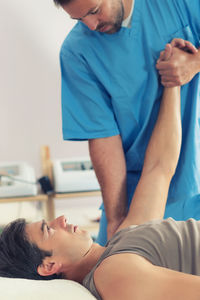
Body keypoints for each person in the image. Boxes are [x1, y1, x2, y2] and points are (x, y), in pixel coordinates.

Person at [1, 46, 200, 300]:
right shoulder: (112, 274)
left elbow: (159, 169)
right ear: (49, 266)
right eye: (48, 230)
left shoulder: (120, 243)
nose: (60, 219)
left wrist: (172, 84)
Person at [55, 0, 200, 246]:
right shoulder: (77, 52)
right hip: (138, 195)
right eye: (79, 20)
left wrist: (195, 63)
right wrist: (115, 220)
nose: (91, 25)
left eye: (94, 11)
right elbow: (102, 137)